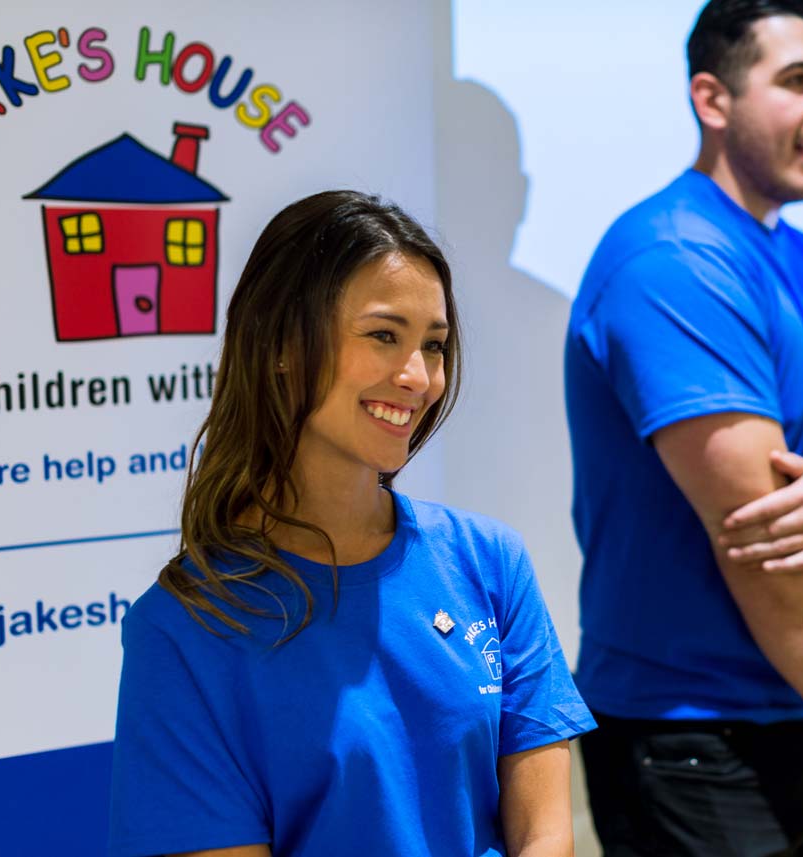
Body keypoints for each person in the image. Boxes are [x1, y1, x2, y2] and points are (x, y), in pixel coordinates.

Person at [108, 191, 594, 857]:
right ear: (281, 344)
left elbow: (545, 834)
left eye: (435, 345)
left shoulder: (489, 562)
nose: (419, 377)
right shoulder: (183, 631)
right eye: (383, 336)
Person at [564, 2, 803, 855]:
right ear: (711, 99)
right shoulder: (673, 258)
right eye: (798, 80)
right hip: (688, 735)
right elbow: (769, 555)